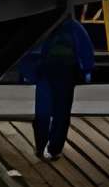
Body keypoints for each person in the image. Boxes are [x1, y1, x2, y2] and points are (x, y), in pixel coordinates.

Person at [22, 13, 96, 161]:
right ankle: (52, 149)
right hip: (64, 74)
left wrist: (28, 73)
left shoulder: (45, 26)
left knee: (45, 113)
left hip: (48, 73)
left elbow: (30, 51)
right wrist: (87, 70)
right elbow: (86, 49)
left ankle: (42, 147)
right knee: (60, 114)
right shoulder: (74, 27)